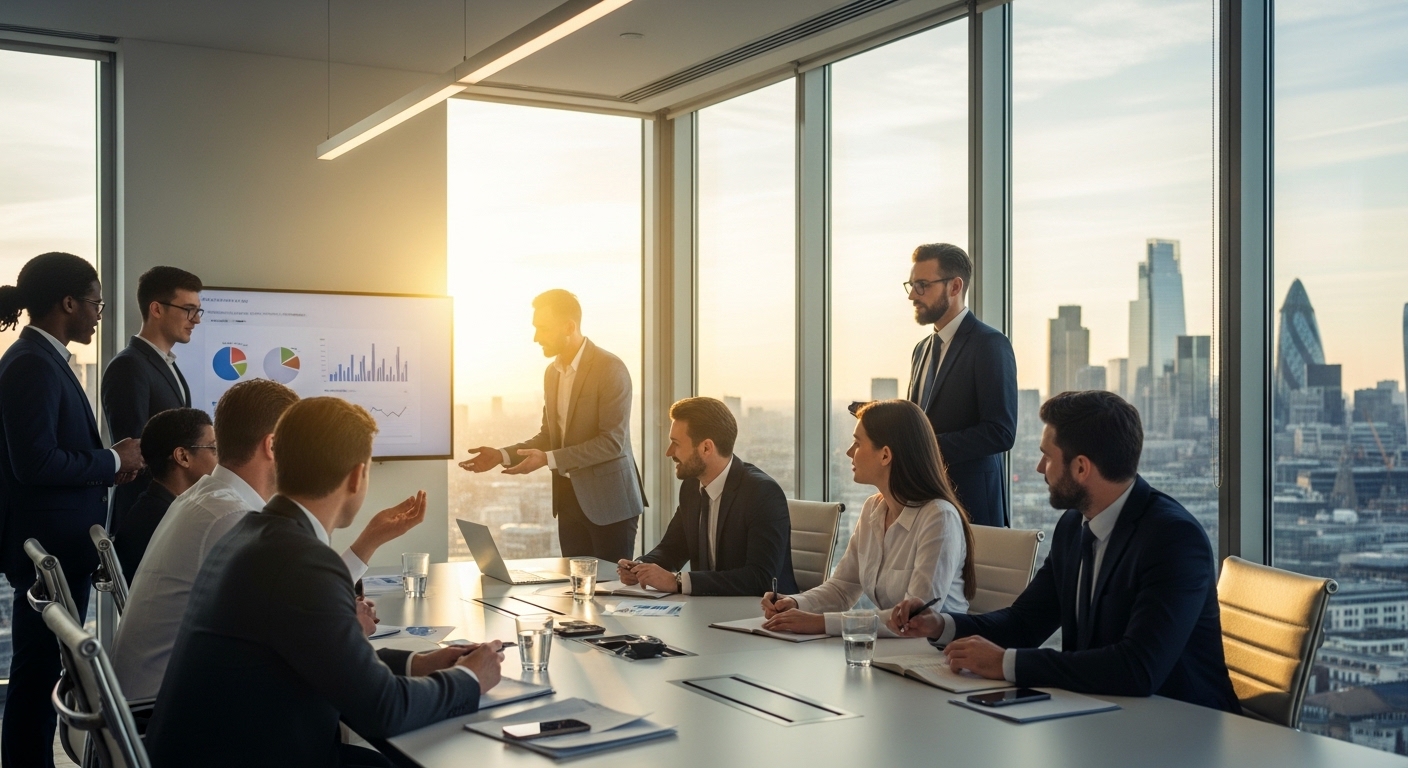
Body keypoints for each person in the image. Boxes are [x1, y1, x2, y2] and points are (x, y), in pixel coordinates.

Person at [145, 397, 503, 768]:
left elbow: (331, 656)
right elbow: (385, 710)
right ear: (357, 476)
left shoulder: (254, 531)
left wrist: (419, 663)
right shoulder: (300, 558)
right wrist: (470, 679)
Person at [890, 390, 1240, 713]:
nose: (1039, 468)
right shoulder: (1074, 526)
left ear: (1081, 467)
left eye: (1047, 456)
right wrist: (941, 624)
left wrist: (1007, 663)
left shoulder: (1173, 539)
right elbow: (1025, 622)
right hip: (1099, 715)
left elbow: (1138, 668)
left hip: (1184, 725)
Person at [112, 379, 426, 700]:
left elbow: (304, 600)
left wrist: (369, 542)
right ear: (273, 446)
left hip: (161, 700)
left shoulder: (210, 499)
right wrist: (349, 623)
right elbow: (308, 631)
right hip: (163, 709)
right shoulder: (232, 516)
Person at [0, 252, 144, 768]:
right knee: (37, 677)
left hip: (60, 546)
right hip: (52, 550)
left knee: (42, 674)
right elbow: (35, 462)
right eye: (95, 303)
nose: (99, 313)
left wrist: (105, 468)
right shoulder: (32, 364)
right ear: (68, 303)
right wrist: (112, 459)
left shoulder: (42, 359)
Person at [761, 400, 975, 637]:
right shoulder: (873, 508)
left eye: (857, 443)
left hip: (935, 652)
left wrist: (821, 623)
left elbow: (913, 618)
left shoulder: (939, 518)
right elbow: (842, 588)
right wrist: (795, 603)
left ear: (885, 455)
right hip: (891, 648)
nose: (849, 452)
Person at [460, 289, 644, 561]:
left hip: (610, 504)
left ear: (569, 327)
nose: (536, 338)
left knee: (610, 585)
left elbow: (612, 443)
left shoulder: (610, 368)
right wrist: (501, 455)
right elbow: (549, 436)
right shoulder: (552, 374)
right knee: (574, 585)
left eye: (543, 328)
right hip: (569, 501)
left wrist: (548, 459)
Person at [617, 397, 797, 596]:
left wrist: (677, 581)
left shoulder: (762, 493)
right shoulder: (691, 486)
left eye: (676, 443)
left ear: (706, 448)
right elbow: (672, 549)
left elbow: (760, 578)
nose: (669, 452)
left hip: (761, 610)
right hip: (707, 607)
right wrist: (640, 567)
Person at [904, 243, 1017, 527]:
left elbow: (1000, 432)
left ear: (955, 286)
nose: (912, 295)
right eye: (911, 285)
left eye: (922, 285)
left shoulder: (989, 344)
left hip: (973, 509)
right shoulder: (921, 349)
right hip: (924, 506)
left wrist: (925, 447)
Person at [102, 266, 201, 526]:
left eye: (197, 311)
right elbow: (135, 454)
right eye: (188, 309)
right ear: (156, 309)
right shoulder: (129, 365)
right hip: (144, 515)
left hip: (170, 511)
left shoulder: (168, 365)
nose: (196, 320)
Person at [113, 407, 217, 578]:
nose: (220, 458)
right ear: (183, 457)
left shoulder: (155, 507)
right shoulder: (167, 521)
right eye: (213, 448)